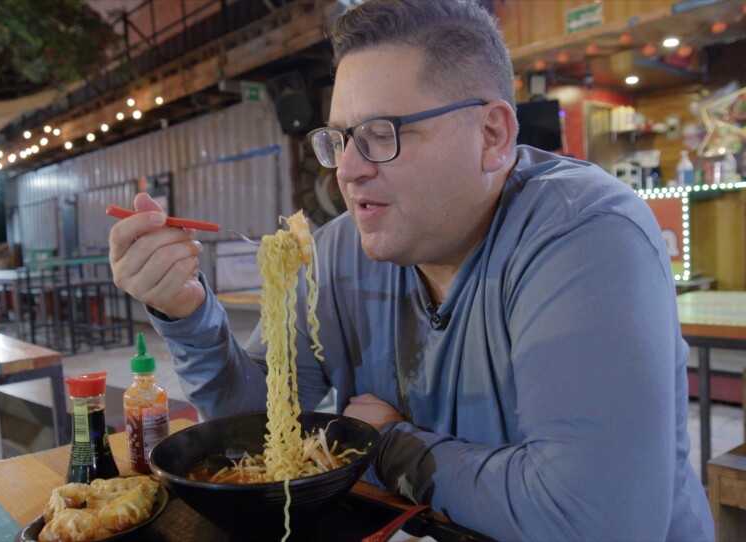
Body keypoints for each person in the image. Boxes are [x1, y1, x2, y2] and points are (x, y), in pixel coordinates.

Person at [108, 0, 713, 539]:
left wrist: (386, 445)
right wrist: (188, 313)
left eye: (380, 133)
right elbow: (269, 436)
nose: (347, 170)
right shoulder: (336, 251)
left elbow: (591, 520)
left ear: (493, 135)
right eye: (340, 138)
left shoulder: (586, 233)